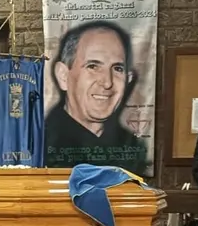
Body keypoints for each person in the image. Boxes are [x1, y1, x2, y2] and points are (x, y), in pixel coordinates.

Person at [44, 21, 148, 177]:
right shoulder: (41, 143)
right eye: (93, 66)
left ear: (128, 79)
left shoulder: (132, 147)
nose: (107, 82)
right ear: (63, 76)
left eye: (117, 68)